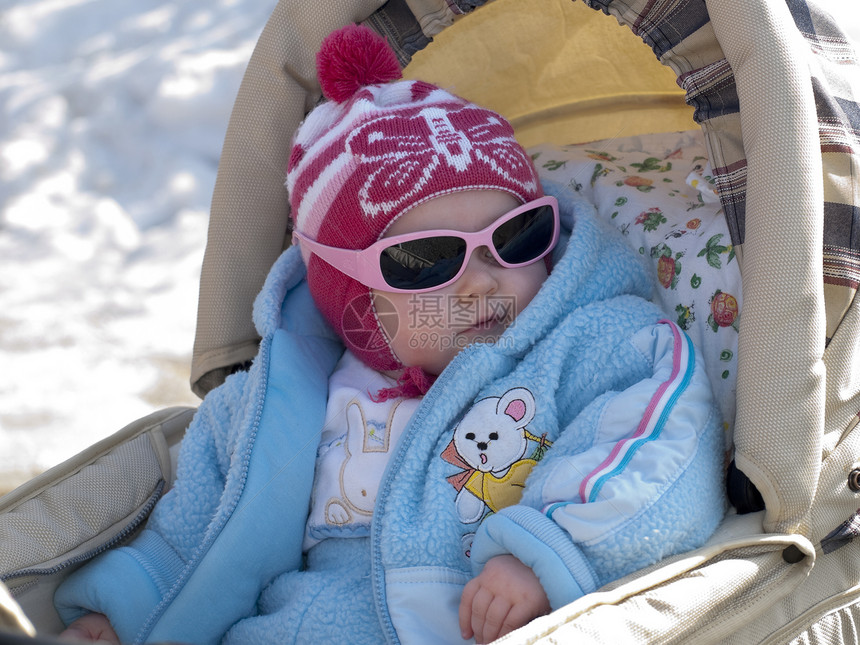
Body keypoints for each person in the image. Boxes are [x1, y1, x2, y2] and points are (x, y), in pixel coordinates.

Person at [56, 24, 726, 645]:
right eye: (430, 261)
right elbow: (195, 532)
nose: (480, 284)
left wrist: (544, 551)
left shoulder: (593, 345)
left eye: (515, 237)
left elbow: (658, 449)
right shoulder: (278, 400)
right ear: (348, 295)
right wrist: (124, 612)